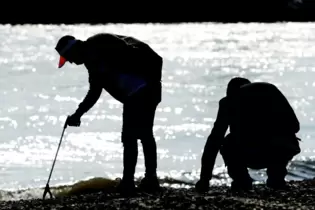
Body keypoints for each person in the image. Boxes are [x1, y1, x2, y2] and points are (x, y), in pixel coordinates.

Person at [55, 33, 163, 196]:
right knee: (144, 134)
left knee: (130, 137)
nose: (69, 61)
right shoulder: (92, 58)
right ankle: (150, 179)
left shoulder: (98, 44)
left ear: (73, 49)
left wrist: (78, 114)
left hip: (140, 90)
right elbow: (95, 91)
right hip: (145, 89)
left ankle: (129, 183)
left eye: (68, 57)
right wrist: (78, 114)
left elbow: (126, 54)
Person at [195, 77, 301, 193]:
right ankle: (276, 179)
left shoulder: (229, 102)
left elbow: (214, 141)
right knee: (285, 137)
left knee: (227, 142)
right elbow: (295, 126)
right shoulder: (270, 91)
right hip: (278, 151)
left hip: (249, 151)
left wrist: (204, 179)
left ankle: (242, 181)